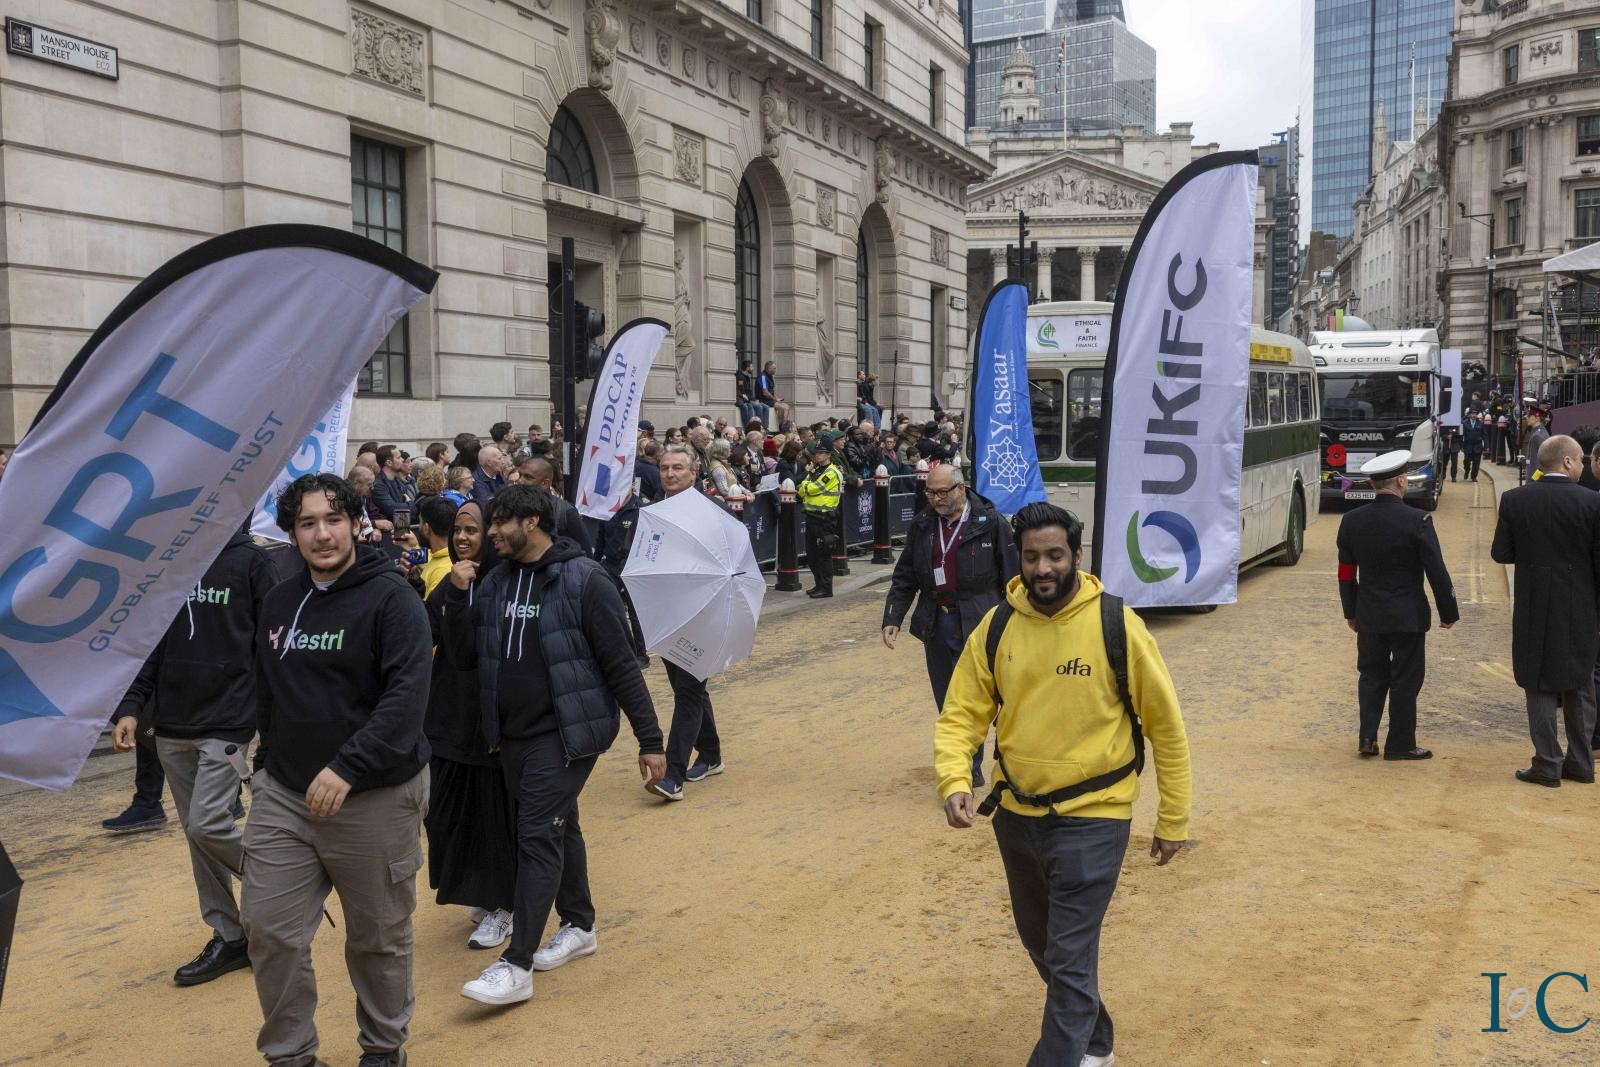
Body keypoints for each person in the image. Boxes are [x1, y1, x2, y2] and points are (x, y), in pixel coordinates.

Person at [935, 502, 1191, 1067]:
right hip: (1015, 817)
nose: (1043, 568)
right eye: (1031, 557)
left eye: (1055, 555)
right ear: (1019, 560)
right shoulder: (997, 625)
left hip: (1095, 817)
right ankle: (1095, 1044)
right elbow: (961, 714)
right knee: (1043, 945)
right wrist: (954, 777)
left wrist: (1172, 818)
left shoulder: (1116, 625)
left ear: (1077, 555)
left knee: (1069, 954)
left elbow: (1167, 728)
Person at [241, 473, 432, 1067]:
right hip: (285, 794)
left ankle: (383, 1047)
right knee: (269, 929)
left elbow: (406, 700)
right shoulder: (280, 600)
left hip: (374, 795)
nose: (321, 534)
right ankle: (291, 1054)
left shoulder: (392, 598)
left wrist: (347, 766)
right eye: (307, 523)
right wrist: (265, 765)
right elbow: (270, 690)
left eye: (332, 520)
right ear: (291, 533)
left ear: (355, 523)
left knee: (377, 937)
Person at [448, 486, 666, 1006]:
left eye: (499, 522)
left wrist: (651, 739)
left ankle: (517, 964)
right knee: (558, 825)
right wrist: (456, 598)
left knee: (536, 837)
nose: (490, 532)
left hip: (566, 735)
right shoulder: (495, 581)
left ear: (532, 522)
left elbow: (620, 664)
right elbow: (464, 658)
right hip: (510, 737)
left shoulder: (585, 579)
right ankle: (581, 924)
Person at [109, 522, 274, 985]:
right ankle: (231, 935)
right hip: (171, 724)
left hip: (227, 721)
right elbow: (151, 644)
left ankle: (281, 884)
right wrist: (131, 706)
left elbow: (272, 645)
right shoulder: (172, 560)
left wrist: (269, 718)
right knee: (196, 835)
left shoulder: (253, 562)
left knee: (207, 824)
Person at [882, 465, 1017, 787]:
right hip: (937, 622)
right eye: (930, 492)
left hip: (980, 621)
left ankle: (993, 762)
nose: (936, 499)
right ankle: (964, 766)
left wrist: (1017, 623)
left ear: (961, 488)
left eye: (942, 492)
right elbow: (905, 575)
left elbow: (1013, 578)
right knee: (948, 701)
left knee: (981, 697)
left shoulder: (991, 523)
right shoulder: (923, 524)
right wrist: (893, 617)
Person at [423, 500, 518, 951]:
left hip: (488, 723)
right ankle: (479, 890)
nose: (463, 538)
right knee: (445, 815)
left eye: (473, 530)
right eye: (458, 530)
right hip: (448, 719)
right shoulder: (452, 580)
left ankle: (505, 905)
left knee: (491, 818)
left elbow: (467, 652)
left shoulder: (502, 583)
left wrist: (459, 596)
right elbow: (426, 632)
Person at [1490, 436, 1600, 787]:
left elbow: (1501, 553)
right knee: (1580, 683)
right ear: (1567, 462)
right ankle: (1581, 763)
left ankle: (1547, 763)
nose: (1582, 466)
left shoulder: (1514, 500)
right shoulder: (1592, 502)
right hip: (1580, 606)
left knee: (1537, 682)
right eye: (1580, 460)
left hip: (1534, 604)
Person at [1336, 451, 1459, 760]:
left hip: (1369, 612)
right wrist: (1448, 611)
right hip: (1408, 615)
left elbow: (1346, 573)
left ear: (1372, 484)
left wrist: (1350, 611)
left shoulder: (1351, 521)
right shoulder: (1418, 520)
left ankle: (1367, 737)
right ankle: (1400, 743)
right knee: (1406, 678)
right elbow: (1436, 570)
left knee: (1371, 675)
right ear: (1402, 481)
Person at [643, 445, 726, 803]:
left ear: (693, 473)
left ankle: (672, 775)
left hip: (702, 615)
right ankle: (711, 755)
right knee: (687, 687)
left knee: (688, 691)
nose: (670, 473)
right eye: (665, 467)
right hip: (666, 614)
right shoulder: (652, 512)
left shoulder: (712, 512)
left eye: (678, 467)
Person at [515, 456, 594, 553]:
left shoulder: (564, 512)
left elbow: (585, 552)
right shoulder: (511, 506)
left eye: (528, 477)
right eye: (520, 475)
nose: (520, 481)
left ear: (545, 483)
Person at [797, 440, 842, 598]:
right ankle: (818, 584)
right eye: (816, 453)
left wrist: (805, 487)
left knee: (823, 554)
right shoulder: (816, 470)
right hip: (812, 516)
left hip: (825, 518)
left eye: (821, 453)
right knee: (812, 554)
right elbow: (802, 489)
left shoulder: (831, 473)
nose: (817, 455)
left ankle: (826, 588)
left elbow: (813, 488)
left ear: (829, 454)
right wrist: (805, 486)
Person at [412, 495, 458, 597]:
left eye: (420, 522)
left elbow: (428, 607)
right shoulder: (443, 554)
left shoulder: (441, 572)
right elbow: (430, 560)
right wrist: (413, 546)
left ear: (426, 528)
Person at [371, 445, 418, 525]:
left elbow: (411, 513)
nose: (402, 459)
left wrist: (408, 506)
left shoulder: (397, 480)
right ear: (389, 463)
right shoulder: (378, 485)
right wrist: (410, 504)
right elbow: (391, 509)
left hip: (402, 526)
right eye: (398, 458)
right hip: (390, 529)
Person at [757, 360, 791, 426]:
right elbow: (765, 392)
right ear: (769, 368)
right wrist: (775, 399)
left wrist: (777, 399)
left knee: (784, 407)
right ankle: (784, 427)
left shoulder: (770, 377)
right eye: (774, 368)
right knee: (785, 407)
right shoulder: (763, 377)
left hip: (769, 400)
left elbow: (771, 391)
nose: (776, 370)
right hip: (763, 400)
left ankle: (781, 425)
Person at [635, 440, 664, 504]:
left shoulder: (635, 464)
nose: (664, 453)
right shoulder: (655, 472)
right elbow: (661, 495)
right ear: (657, 454)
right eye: (662, 451)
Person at [1462, 411, 1487, 482]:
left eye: (1475, 414)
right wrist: (1461, 445)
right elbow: (1462, 435)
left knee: (1476, 463)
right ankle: (1467, 471)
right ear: (1470, 415)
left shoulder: (1481, 423)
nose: (1474, 415)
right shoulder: (1465, 423)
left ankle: (1473, 476)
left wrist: (1486, 446)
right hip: (1468, 446)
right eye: (1472, 414)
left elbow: (1485, 435)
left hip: (1477, 446)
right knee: (1466, 461)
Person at [736, 360, 757, 427]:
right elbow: (740, 388)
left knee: (750, 406)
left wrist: (752, 398)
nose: (753, 368)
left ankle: (751, 425)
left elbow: (748, 391)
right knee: (746, 406)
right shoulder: (740, 377)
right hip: (740, 397)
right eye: (751, 367)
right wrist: (743, 396)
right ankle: (747, 426)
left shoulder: (747, 377)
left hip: (745, 398)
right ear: (747, 368)